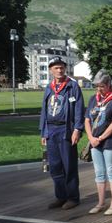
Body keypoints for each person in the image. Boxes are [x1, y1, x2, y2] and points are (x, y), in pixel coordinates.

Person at [39, 56, 85, 210]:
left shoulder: (72, 86)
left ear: (65, 68)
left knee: (69, 165)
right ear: (51, 70)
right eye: (56, 68)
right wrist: (43, 132)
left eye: (61, 67)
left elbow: (79, 109)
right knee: (55, 166)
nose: (59, 70)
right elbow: (44, 111)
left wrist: (77, 129)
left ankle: (73, 197)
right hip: (51, 130)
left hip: (66, 130)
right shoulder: (48, 87)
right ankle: (61, 196)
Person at [85, 71, 112, 216]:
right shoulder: (92, 99)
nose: (99, 89)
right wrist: (91, 137)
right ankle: (101, 203)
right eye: (97, 86)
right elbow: (87, 120)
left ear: (109, 85)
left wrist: (100, 138)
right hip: (94, 142)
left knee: (111, 171)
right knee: (99, 173)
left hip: (109, 141)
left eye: (102, 86)